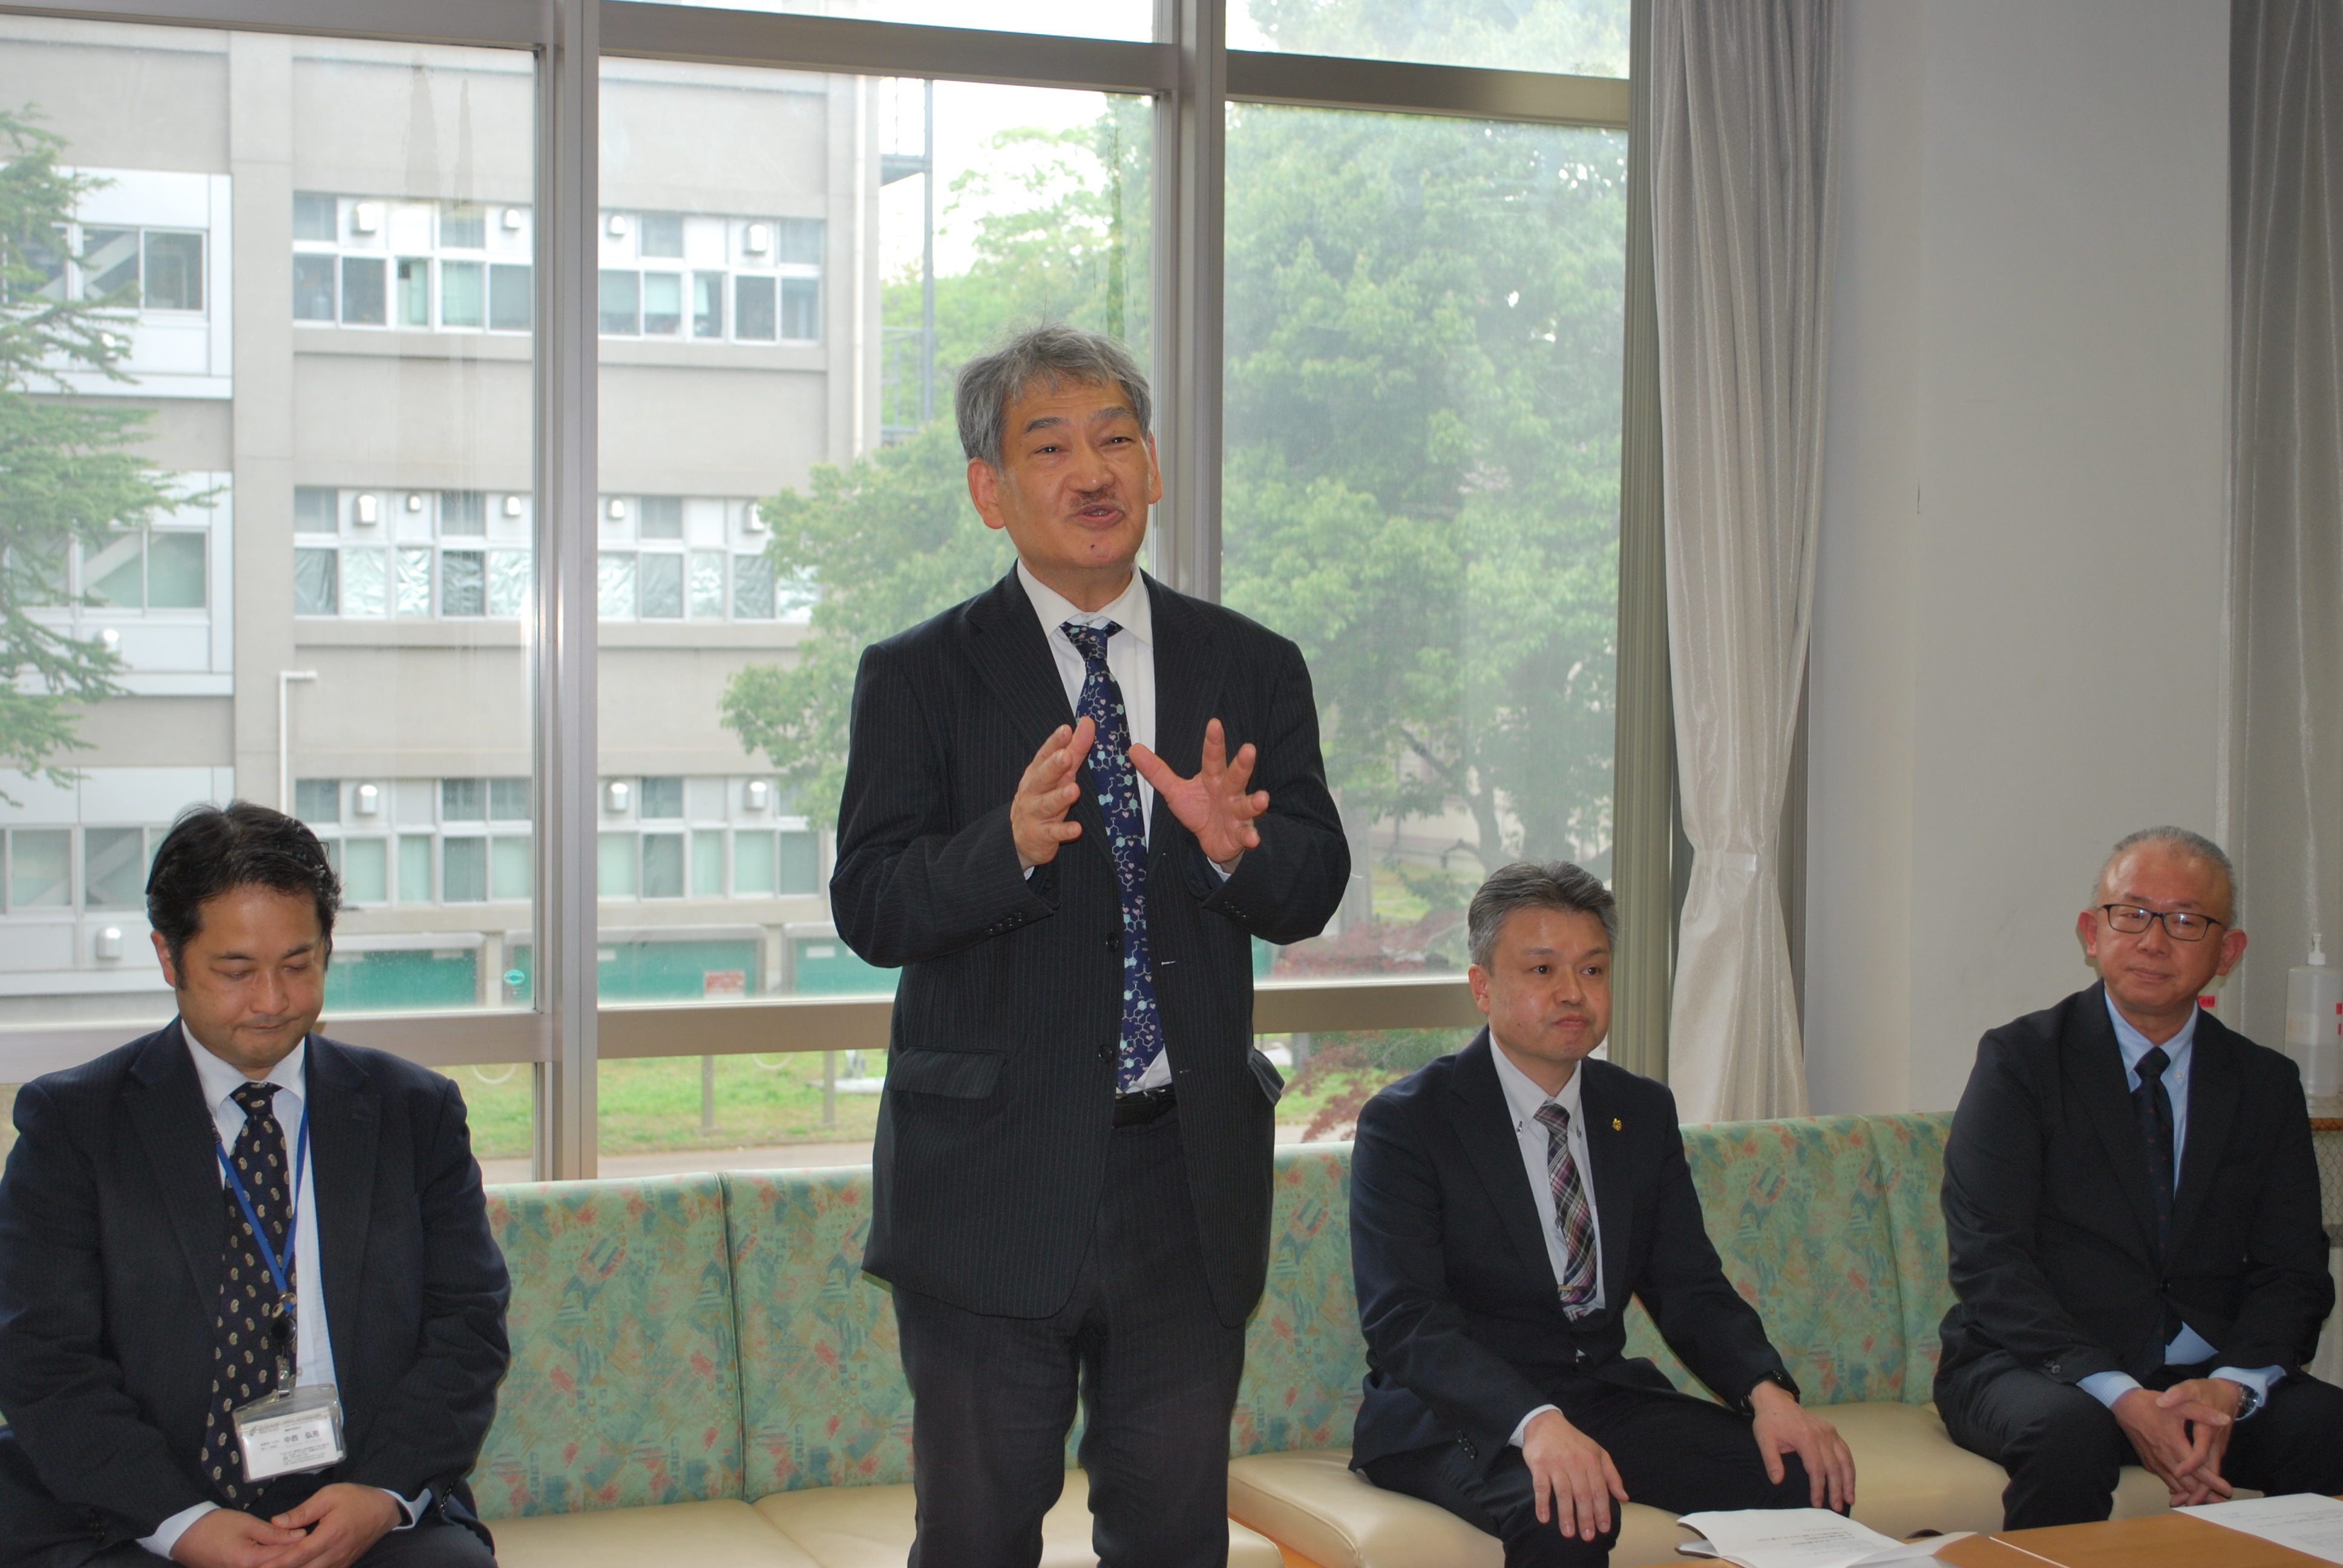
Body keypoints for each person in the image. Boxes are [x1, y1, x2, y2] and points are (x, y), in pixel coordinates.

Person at [830, 323, 1349, 1568]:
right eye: (1050, 446)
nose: (1093, 471)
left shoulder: (1251, 664)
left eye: (1116, 439)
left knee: (1172, 1537)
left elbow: (1312, 883)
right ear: (989, 490)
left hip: (1186, 1176)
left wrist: (1231, 850)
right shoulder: (916, 675)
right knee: (974, 1538)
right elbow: (870, 904)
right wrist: (1003, 848)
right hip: (988, 1184)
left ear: (1154, 468)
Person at [0, 803, 511, 1568]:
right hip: (136, 1509)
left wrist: (380, 1493)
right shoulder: (73, 1124)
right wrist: (183, 1523)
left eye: (298, 965)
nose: (272, 1001)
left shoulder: (414, 1112)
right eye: (235, 972)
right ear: (168, 957)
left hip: (353, 1495)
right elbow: (42, 1358)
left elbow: (467, 1327)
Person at [1350, 861, 1854, 1568]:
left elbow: (1688, 1285)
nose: (1572, 993)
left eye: (1591, 970)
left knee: (1801, 1476)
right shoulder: (1408, 1123)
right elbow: (1405, 1321)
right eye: (1542, 970)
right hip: (1452, 1413)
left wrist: (1766, 1393)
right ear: (1481, 987)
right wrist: (1532, 1422)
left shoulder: (1638, 1111)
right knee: (1567, 1515)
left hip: (1597, 1393)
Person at [1935, 826, 2343, 1529]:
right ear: (2090, 933)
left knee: (2326, 1426)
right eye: (2131, 914)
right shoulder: (2019, 1063)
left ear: (2227, 952)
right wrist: (2120, 1394)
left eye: (2184, 921)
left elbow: (2293, 1271)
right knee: (2068, 1435)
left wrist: (2228, 1390)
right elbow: (1988, 1260)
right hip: (2036, 1367)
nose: (2153, 942)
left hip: (2205, 1374)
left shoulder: (2263, 1084)